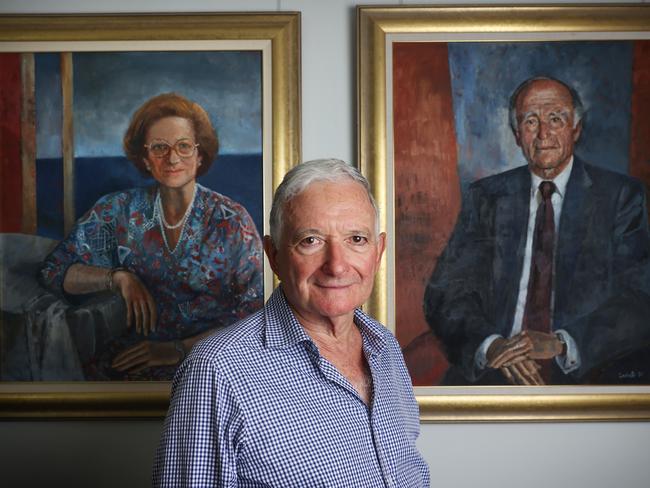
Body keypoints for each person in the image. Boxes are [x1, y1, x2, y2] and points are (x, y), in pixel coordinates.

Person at [153, 159, 429, 486]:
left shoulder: (386, 349)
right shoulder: (218, 370)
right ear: (274, 255)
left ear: (378, 251)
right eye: (311, 240)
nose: (337, 266)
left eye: (356, 239)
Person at [424, 76, 650, 386]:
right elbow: (445, 294)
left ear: (576, 128)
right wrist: (491, 345)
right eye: (531, 121)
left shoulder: (620, 197)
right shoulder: (486, 197)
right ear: (517, 135)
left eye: (556, 118)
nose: (543, 134)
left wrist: (560, 343)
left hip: (585, 368)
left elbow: (640, 299)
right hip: (497, 367)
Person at [40, 93, 263, 380]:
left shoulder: (230, 220)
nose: (172, 158)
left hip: (210, 363)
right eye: (159, 147)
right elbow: (54, 271)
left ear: (200, 154)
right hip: (126, 360)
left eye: (183, 146)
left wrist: (177, 349)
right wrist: (118, 278)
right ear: (145, 159)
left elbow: (257, 312)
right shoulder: (118, 210)